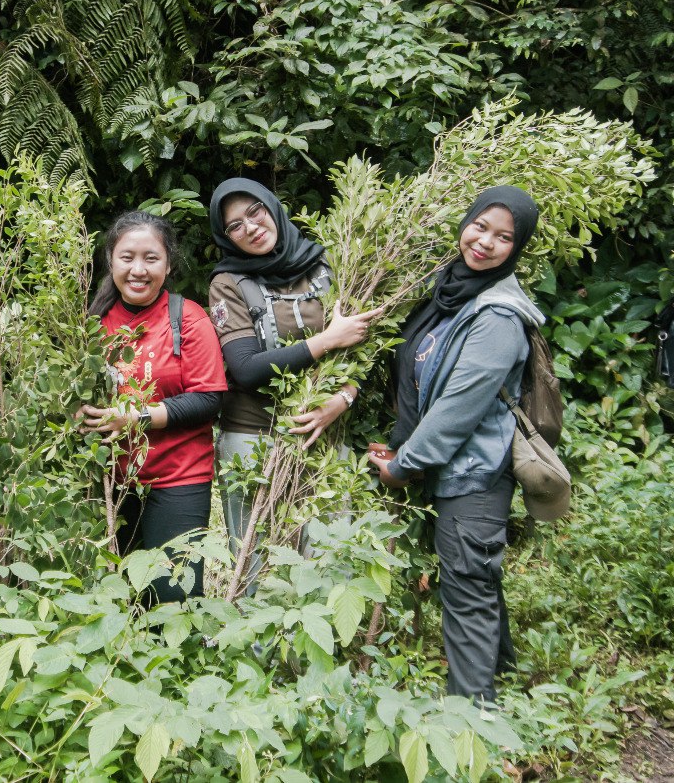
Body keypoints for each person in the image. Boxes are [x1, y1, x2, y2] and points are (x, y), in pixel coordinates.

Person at [368, 186, 545, 704]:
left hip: (475, 472)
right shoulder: (451, 292)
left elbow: (457, 409)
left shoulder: (498, 316)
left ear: (518, 247)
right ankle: (504, 671)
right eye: (480, 226)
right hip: (454, 467)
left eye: (504, 237)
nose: (485, 242)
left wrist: (406, 463)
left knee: (467, 588)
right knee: (476, 578)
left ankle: (474, 714)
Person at [205, 178, 381, 589]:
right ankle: (254, 653)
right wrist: (326, 340)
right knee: (255, 567)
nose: (249, 227)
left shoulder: (328, 266)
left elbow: (364, 345)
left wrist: (343, 397)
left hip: (324, 435)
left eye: (255, 212)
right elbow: (245, 368)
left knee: (328, 561)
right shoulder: (227, 283)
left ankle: (316, 653)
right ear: (225, 235)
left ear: (273, 208)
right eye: (234, 225)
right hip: (253, 438)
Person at [76, 211, 227, 603]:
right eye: (127, 257)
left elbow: (209, 397)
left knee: (171, 597)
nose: (138, 269)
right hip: (115, 482)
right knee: (124, 598)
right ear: (110, 261)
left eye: (151, 258)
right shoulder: (95, 323)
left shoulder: (188, 318)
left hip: (178, 479)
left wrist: (136, 418)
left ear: (169, 263)